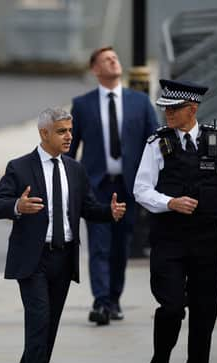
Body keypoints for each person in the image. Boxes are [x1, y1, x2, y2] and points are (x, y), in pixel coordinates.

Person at [0, 108, 126, 363]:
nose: (68, 137)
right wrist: (17, 206)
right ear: (44, 133)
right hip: (33, 259)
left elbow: (88, 207)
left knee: (48, 329)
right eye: (62, 131)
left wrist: (109, 213)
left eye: (70, 131)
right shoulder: (20, 167)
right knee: (38, 322)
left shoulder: (75, 169)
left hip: (63, 259)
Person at [133, 79, 217, 363]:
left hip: (206, 242)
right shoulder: (158, 143)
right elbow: (141, 189)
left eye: (173, 109)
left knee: (203, 318)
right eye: (165, 108)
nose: (167, 114)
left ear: (192, 109)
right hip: (169, 240)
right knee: (170, 307)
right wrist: (169, 202)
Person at [68, 46, 158, 325]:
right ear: (96, 69)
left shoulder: (139, 103)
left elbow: (153, 144)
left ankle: (114, 298)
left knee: (120, 246)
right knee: (98, 245)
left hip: (128, 187)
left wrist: (154, 183)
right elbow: (71, 147)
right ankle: (101, 302)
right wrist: (65, 182)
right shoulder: (82, 104)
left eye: (115, 57)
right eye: (106, 59)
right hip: (96, 187)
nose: (113, 61)